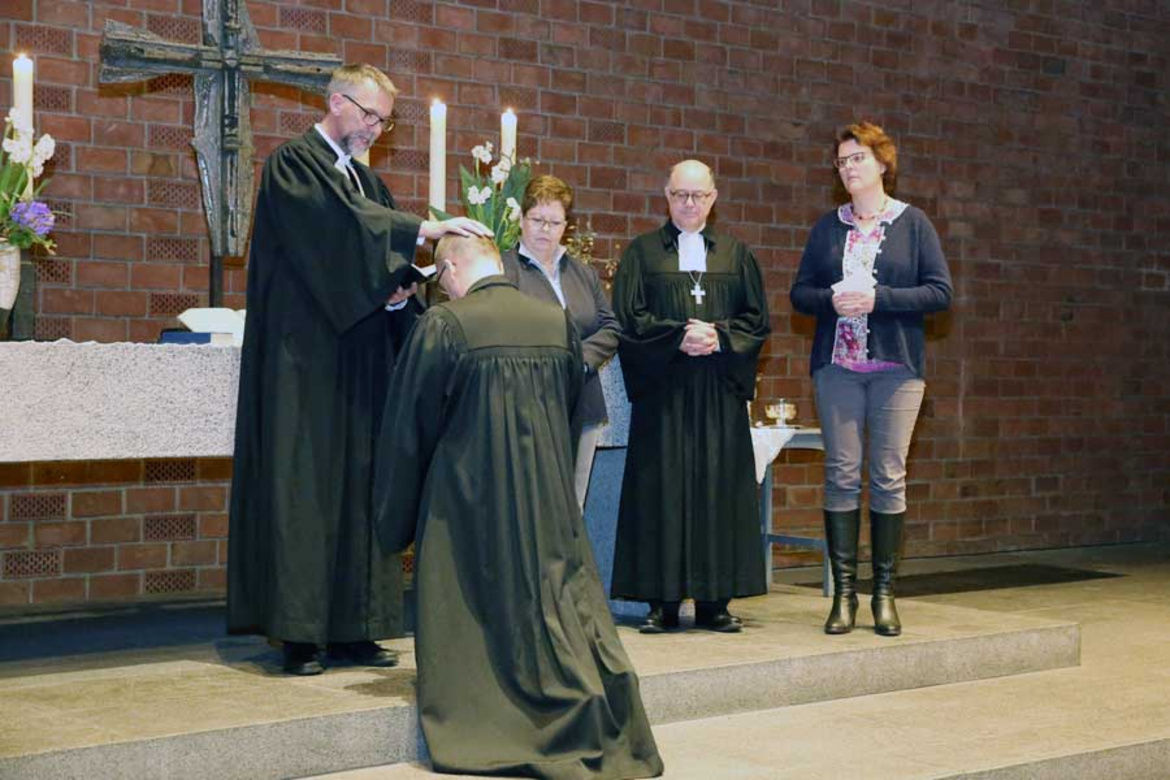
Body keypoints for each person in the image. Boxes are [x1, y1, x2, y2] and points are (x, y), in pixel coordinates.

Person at [226, 63, 490, 676]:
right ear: (335, 102)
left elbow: (376, 258)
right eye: (368, 114)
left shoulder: (371, 187)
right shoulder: (294, 165)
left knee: (362, 484)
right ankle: (299, 634)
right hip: (305, 363)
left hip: (363, 363)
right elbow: (333, 230)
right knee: (307, 487)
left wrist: (399, 292)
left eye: (383, 119)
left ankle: (356, 627)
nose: (375, 128)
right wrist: (425, 227)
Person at [373, 235, 663, 779]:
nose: (444, 288)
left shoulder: (445, 325)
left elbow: (409, 427)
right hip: (546, 501)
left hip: (465, 504)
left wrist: (394, 520)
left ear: (453, 267)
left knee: (473, 611)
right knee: (550, 606)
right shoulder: (555, 321)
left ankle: (492, 721)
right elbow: (572, 409)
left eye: (442, 279)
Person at [790, 121, 952, 637]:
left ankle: (884, 593)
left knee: (887, 475)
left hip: (896, 370)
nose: (849, 168)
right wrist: (829, 301)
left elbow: (939, 293)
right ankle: (844, 597)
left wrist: (880, 299)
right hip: (837, 366)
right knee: (840, 471)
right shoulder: (827, 227)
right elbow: (800, 293)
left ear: (882, 163)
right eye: (842, 161)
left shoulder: (914, 224)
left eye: (858, 158)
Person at [610, 159, 771, 635]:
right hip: (664, 393)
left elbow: (757, 321)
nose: (689, 204)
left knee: (717, 489)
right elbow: (628, 318)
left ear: (714, 198)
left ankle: (714, 602)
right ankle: (661, 602)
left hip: (718, 393)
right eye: (680, 194)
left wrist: (719, 336)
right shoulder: (642, 254)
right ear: (666, 194)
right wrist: (676, 336)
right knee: (663, 489)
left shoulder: (736, 256)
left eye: (698, 196)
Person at [501, 174, 620, 510]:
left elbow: (610, 326)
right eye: (537, 220)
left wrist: (580, 358)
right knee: (530, 505)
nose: (545, 230)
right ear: (521, 220)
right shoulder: (504, 269)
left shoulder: (582, 273)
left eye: (555, 222)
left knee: (572, 505)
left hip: (582, 399)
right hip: (528, 402)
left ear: (566, 226)